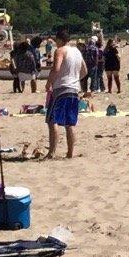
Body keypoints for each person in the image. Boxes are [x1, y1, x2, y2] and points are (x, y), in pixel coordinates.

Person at [44, 29, 86, 159]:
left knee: (52, 120)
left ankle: (51, 152)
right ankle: (70, 153)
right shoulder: (77, 51)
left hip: (61, 89)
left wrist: (49, 83)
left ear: (60, 40)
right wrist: (74, 79)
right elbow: (84, 70)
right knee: (69, 123)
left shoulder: (60, 50)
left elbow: (56, 68)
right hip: (74, 89)